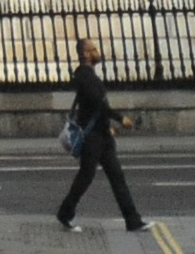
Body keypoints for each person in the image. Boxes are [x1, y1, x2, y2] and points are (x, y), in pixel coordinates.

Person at [55, 34, 145, 234]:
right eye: (94, 49)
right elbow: (98, 104)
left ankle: (133, 220)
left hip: (102, 135)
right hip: (93, 138)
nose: (98, 52)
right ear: (86, 53)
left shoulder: (89, 76)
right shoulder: (84, 77)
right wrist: (120, 119)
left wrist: (107, 126)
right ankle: (65, 212)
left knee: (116, 177)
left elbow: (93, 108)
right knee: (85, 177)